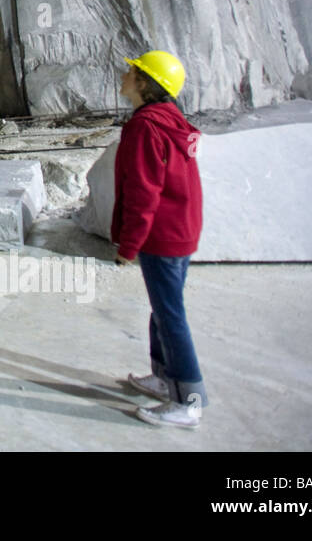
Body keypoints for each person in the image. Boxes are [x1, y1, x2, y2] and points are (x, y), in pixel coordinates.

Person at [112, 50, 208, 430]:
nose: (125, 74)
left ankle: (189, 400)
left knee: (170, 317)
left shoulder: (145, 127)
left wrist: (128, 245)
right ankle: (164, 377)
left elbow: (143, 191)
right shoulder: (170, 121)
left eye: (132, 71)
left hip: (162, 236)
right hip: (181, 230)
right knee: (163, 309)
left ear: (145, 83)